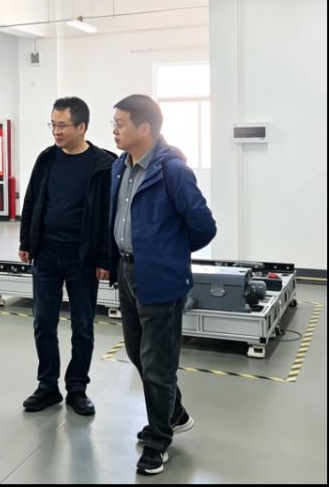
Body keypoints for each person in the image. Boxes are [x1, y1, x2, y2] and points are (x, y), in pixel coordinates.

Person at [108, 94, 216, 475]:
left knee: (158, 364)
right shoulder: (120, 167)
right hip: (126, 272)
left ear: (145, 129)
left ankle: (158, 441)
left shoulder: (172, 171)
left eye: (120, 124)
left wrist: (167, 253)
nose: (114, 130)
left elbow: (204, 226)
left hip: (161, 277)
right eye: (113, 123)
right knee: (138, 352)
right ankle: (175, 412)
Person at [18, 97, 115, 415]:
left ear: (82, 126)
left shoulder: (103, 164)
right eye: (53, 125)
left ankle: (77, 388)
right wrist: (26, 240)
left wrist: (105, 258)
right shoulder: (47, 158)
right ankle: (47, 386)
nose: (56, 131)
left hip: (82, 258)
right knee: (43, 323)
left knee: (83, 325)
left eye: (62, 125)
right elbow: (32, 200)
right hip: (46, 254)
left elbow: (108, 217)